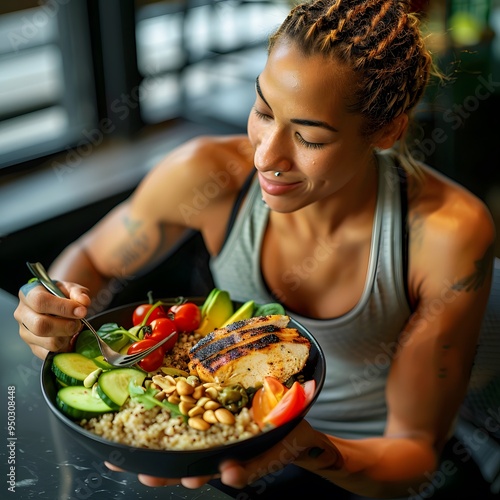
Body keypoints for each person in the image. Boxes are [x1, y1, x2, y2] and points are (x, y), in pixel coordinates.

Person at [14, 0, 499, 498]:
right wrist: (52, 303)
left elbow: (414, 453)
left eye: (308, 138)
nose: (266, 156)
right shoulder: (206, 175)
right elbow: (92, 260)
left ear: (387, 130)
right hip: (230, 452)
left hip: (364, 466)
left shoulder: (446, 233)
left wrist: (299, 445)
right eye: (263, 111)